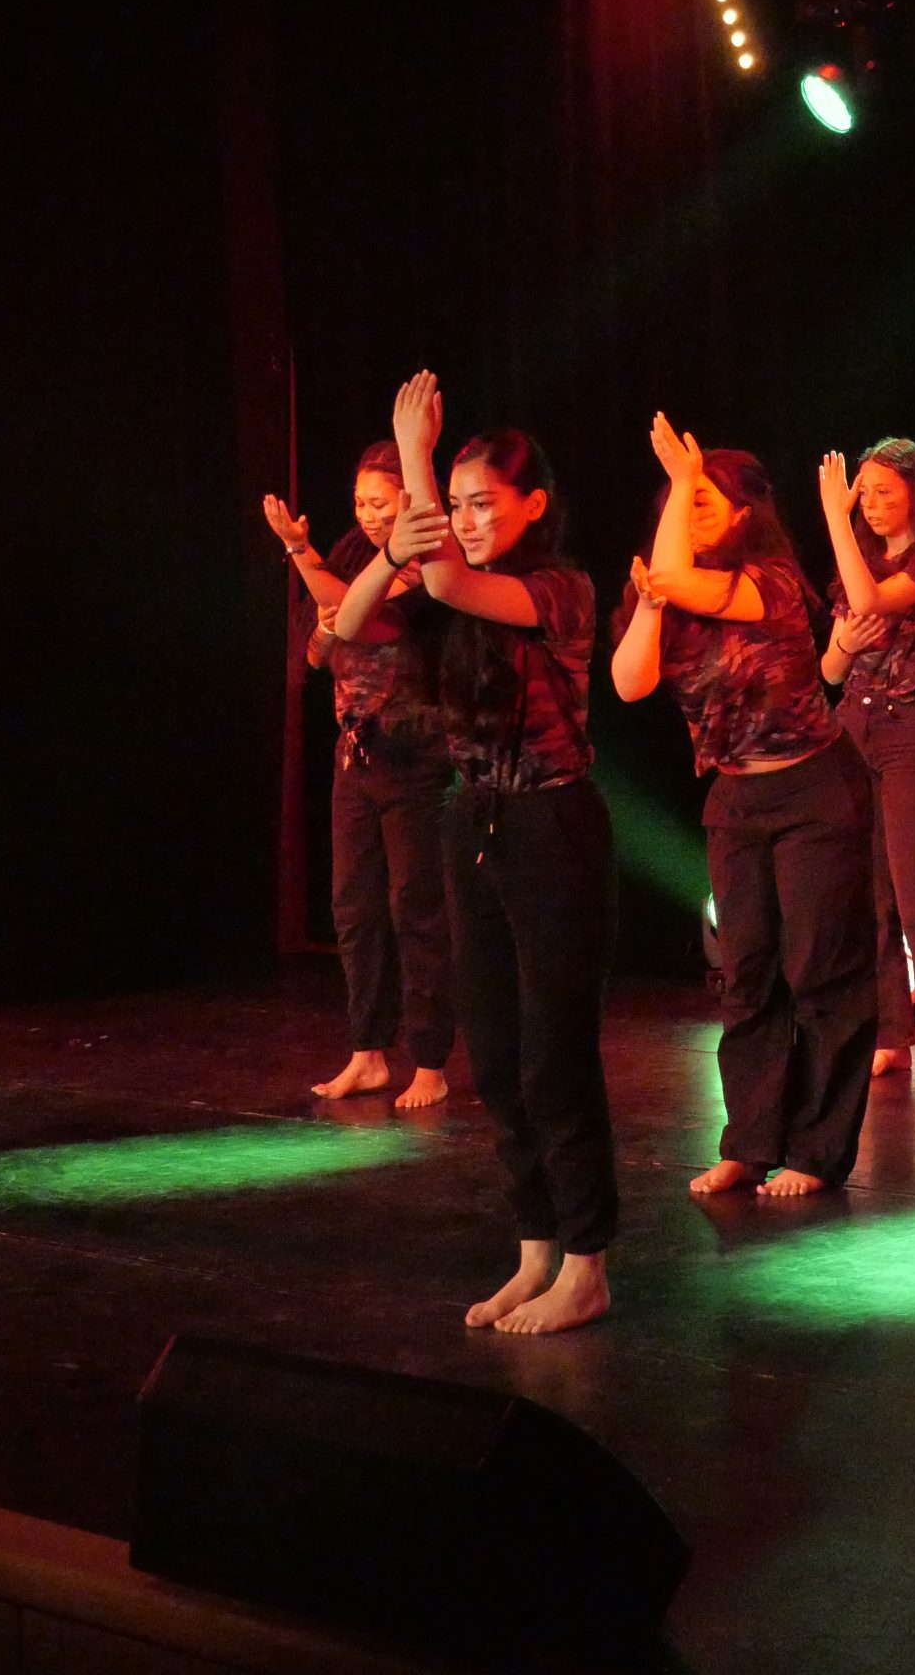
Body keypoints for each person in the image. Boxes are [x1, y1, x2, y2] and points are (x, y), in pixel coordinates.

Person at [335, 373, 617, 1335]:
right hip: (474, 821)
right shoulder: (444, 585)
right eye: (452, 506)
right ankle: (535, 1250)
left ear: (533, 504)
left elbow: (451, 579)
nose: (463, 520)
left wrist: (415, 454)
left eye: (481, 502)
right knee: (493, 1057)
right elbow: (345, 626)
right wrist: (392, 549)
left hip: (553, 825)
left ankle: (587, 1264)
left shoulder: (559, 588)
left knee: (554, 1059)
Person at [611, 421, 877, 1198]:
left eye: (705, 500)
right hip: (735, 797)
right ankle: (750, 1143)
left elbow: (684, 578)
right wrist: (650, 603)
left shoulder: (771, 579)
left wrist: (680, 493)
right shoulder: (664, 589)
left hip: (814, 788)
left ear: (743, 515)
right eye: (681, 500)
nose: (689, 510)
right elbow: (629, 683)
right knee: (746, 975)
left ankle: (817, 1151)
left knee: (821, 971)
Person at [265, 443, 453, 1108]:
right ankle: (367, 1053)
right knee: (354, 908)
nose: (368, 515)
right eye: (359, 503)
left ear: (408, 499)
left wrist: (300, 553)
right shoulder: (348, 555)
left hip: (415, 757)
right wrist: (324, 624)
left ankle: (429, 1062)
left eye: (379, 503)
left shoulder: (427, 563)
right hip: (356, 757)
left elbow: (358, 615)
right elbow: (319, 650)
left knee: (415, 909)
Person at [817, 438, 915, 1084]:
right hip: (854, 727)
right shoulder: (857, 560)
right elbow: (830, 670)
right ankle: (890, 1033)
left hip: (911, 730)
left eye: (885, 492)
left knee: (914, 895)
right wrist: (845, 646)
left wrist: (834, 519)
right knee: (870, 896)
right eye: (864, 494)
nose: (872, 504)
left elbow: (872, 600)